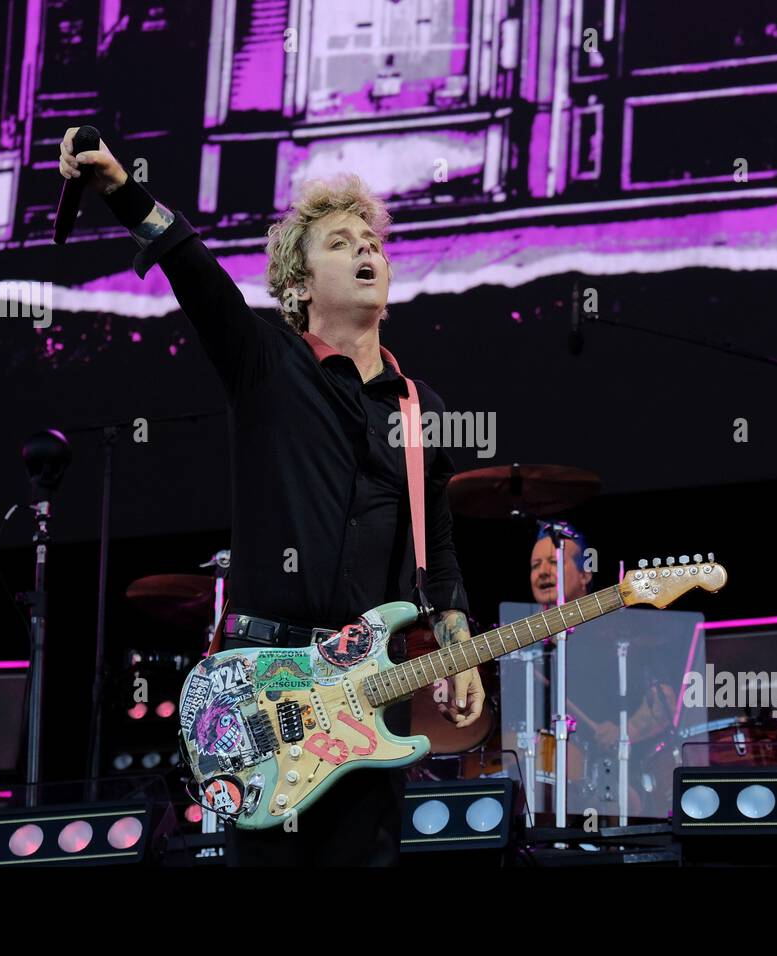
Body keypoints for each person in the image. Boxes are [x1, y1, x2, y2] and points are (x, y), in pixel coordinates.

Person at [58, 129, 484, 865]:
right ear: (300, 286)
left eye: (373, 243)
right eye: (341, 243)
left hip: (368, 698)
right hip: (265, 692)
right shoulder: (267, 363)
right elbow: (193, 271)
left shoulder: (422, 410)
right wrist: (122, 189)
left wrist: (459, 646)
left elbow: (435, 545)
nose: (367, 251)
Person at [528, 521, 676, 816]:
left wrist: (625, 730)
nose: (542, 572)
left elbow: (665, 700)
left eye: (554, 563)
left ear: (585, 574)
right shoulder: (522, 645)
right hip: (532, 776)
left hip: (605, 779)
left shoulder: (616, 635)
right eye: (535, 565)